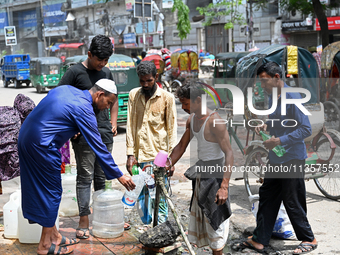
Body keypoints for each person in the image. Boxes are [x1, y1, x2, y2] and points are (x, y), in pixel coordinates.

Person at [18, 79, 135, 255]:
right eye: (108, 103)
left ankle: (55, 236)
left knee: (40, 189)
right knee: (52, 191)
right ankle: (44, 245)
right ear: (99, 95)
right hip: (42, 145)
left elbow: (54, 110)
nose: (107, 108)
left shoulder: (67, 90)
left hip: (26, 137)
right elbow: (98, 145)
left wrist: (71, 126)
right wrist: (119, 175)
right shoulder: (84, 109)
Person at [233, 62, 317, 254]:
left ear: (277, 78)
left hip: (292, 158)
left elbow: (305, 129)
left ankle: (309, 239)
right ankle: (260, 239)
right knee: (268, 196)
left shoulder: (293, 96)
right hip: (276, 158)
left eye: (264, 81)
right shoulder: (273, 97)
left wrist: (279, 140)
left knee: (292, 199)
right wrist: (265, 126)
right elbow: (278, 121)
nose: (262, 85)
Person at [58, 34, 124, 239]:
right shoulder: (74, 72)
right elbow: (60, 98)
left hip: (104, 131)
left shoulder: (106, 72)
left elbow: (114, 99)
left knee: (102, 176)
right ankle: (84, 220)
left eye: (106, 61)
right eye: (99, 60)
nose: (102, 64)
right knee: (85, 176)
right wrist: (71, 126)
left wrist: (113, 123)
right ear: (89, 54)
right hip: (84, 134)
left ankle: (105, 216)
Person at [166, 79, 233, 255]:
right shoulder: (192, 119)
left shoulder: (215, 121)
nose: (183, 107)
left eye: (186, 103)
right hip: (202, 173)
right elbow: (181, 146)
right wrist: (167, 163)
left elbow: (230, 154)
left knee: (215, 221)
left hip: (216, 176)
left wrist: (224, 186)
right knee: (205, 218)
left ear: (198, 101)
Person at [126, 61, 177, 224]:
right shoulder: (134, 95)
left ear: (156, 77)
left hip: (159, 158)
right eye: (142, 81)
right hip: (139, 156)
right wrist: (130, 154)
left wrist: (171, 160)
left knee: (160, 197)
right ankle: (147, 228)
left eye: (149, 80)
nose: (146, 84)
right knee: (141, 197)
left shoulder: (167, 98)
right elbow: (130, 124)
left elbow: (171, 129)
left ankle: (160, 229)